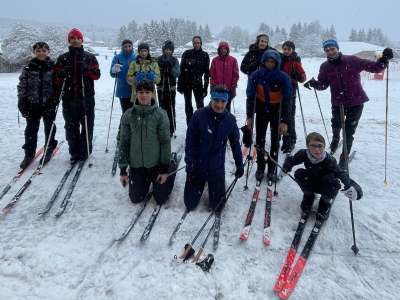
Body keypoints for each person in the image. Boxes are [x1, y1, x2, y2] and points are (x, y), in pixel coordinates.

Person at [304, 39, 393, 169]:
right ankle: (335, 141)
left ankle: (344, 157)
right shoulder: (325, 67)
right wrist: (314, 84)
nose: (330, 52)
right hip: (337, 103)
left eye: (332, 49)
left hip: (356, 101)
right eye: (327, 50)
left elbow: (375, 67)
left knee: (348, 131)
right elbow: (323, 84)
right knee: (336, 124)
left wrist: (384, 59)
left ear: (337, 49)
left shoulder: (353, 60)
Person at [184, 85, 244, 213]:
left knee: (218, 207)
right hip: (197, 168)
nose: (219, 105)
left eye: (223, 101)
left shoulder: (230, 120)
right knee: (190, 204)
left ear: (227, 102)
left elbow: (235, 145)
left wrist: (240, 166)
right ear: (211, 99)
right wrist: (190, 168)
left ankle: (214, 185)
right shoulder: (198, 115)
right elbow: (190, 143)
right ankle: (199, 184)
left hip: (216, 169)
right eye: (216, 100)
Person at [281, 132, 363, 221]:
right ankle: (308, 196)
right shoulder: (303, 154)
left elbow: (341, 174)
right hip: (312, 183)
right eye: (313, 146)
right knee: (299, 173)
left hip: (326, 187)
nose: (317, 149)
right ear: (307, 146)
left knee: (329, 180)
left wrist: (351, 187)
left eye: (320, 146)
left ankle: (325, 203)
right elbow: (291, 160)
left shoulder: (329, 160)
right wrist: (286, 168)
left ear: (324, 146)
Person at [119, 80, 176, 205]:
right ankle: (144, 181)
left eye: (147, 92)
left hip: (156, 165)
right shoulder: (128, 115)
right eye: (141, 92)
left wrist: (164, 168)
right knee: (136, 198)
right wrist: (123, 170)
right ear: (136, 94)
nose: (144, 95)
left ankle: (171, 164)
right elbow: (124, 141)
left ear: (153, 93)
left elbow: (165, 141)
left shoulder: (160, 115)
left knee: (161, 199)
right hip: (137, 166)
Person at [52, 28, 100, 162]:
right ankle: (74, 151)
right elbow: (55, 79)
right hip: (69, 98)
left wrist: (87, 68)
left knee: (87, 124)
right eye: (73, 38)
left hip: (87, 97)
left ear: (82, 40)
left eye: (78, 38)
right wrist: (62, 72)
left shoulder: (89, 57)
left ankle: (85, 151)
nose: (75, 41)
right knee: (71, 126)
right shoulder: (63, 58)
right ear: (69, 40)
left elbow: (96, 75)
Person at [246, 50, 292, 182]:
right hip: (261, 111)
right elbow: (250, 97)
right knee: (260, 140)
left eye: (273, 62)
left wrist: (285, 121)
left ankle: (272, 167)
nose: (270, 64)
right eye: (267, 61)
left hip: (276, 112)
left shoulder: (283, 77)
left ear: (277, 63)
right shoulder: (256, 75)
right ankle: (260, 166)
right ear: (263, 62)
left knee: (275, 141)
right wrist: (250, 116)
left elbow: (288, 99)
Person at [17, 42, 58, 169]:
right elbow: (22, 86)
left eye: (44, 50)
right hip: (32, 104)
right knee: (31, 130)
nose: (41, 53)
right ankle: (29, 153)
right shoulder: (28, 68)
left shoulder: (53, 67)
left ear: (48, 52)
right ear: (34, 52)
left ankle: (49, 148)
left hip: (48, 104)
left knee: (49, 128)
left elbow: (58, 85)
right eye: (38, 50)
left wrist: (55, 99)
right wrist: (22, 102)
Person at [280, 41, 307, 153]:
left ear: (293, 50)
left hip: (291, 89)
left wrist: (298, 76)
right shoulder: (280, 59)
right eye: (285, 49)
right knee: (280, 114)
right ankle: (283, 138)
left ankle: (291, 140)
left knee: (289, 115)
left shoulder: (295, 62)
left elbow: (303, 77)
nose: (286, 51)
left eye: (289, 49)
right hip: (279, 89)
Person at [177, 36, 210, 125]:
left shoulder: (205, 55)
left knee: (200, 106)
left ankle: (201, 125)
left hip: (198, 83)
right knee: (188, 106)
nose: (196, 45)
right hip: (186, 83)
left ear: (201, 43)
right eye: (195, 43)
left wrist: (206, 87)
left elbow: (207, 73)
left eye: (198, 43)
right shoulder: (187, 53)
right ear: (192, 43)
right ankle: (190, 126)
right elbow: (181, 69)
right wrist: (179, 84)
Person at [110, 39, 137, 140]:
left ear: (132, 47)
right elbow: (112, 74)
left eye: (129, 46)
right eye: (125, 46)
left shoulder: (136, 57)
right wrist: (114, 70)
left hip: (135, 89)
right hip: (123, 89)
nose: (127, 48)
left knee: (135, 112)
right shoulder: (117, 57)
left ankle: (132, 132)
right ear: (122, 47)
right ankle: (121, 132)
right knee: (126, 112)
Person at [157, 40, 181, 137]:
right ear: (164, 49)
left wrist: (170, 68)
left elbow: (178, 73)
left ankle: (171, 127)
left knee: (171, 107)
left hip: (171, 87)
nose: (168, 51)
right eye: (166, 49)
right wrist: (161, 69)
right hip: (161, 86)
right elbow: (156, 72)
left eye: (170, 50)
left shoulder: (174, 60)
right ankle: (161, 128)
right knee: (162, 107)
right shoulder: (159, 59)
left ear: (172, 51)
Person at [210, 41, 239, 112]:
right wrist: (212, 86)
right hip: (217, 88)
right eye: (221, 49)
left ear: (228, 50)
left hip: (228, 89)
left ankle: (226, 122)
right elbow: (212, 74)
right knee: (216, 107)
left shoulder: (233, 60)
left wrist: (233, 87)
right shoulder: (215, 60)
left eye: (225, 49)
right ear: (219, 50)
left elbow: (235, 75)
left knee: (226, 107)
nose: (223, 50)